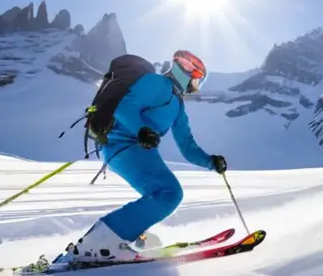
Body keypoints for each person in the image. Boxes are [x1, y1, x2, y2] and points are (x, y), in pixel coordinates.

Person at [67, 50, 227, 263]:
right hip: (122, 144)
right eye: (197, 79)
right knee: (169, 193)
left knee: (159, 195)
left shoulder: (177, 106)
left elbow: (187, 146)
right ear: (188, 73)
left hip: (133, 148)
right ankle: (98, 244)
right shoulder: (157, 84)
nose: (195, 86)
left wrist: (210, 161)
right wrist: (141, 130)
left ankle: (128, 237)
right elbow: (123, 107)